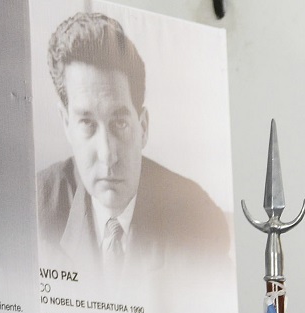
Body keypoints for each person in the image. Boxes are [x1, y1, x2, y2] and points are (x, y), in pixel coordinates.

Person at [35, 11, 232, 277]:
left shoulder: (197, 220)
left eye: (120, 124)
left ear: (143, 127)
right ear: (66, 123)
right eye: (87, 124)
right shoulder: (35, 210)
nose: (107, 155)